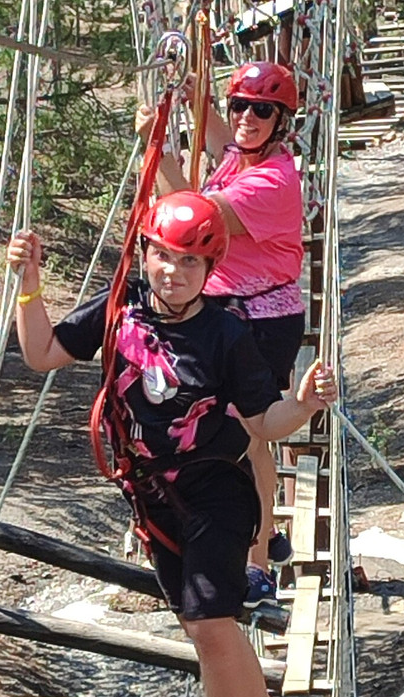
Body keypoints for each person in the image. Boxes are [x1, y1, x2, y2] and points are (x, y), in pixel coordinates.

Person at [8, 191, 334, 697]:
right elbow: (41, 353)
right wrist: (29, 286)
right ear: (146, 254)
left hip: (217, 492)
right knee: (203, 627)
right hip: (154, 500)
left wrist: (307, 404)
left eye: (191, 263)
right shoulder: (116, 314)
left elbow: (264, 422)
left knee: (212, 624)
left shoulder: (225, 334)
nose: (175, 273)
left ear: (210, 272)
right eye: (165, 257)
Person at [136, 62, 305, 607]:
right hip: (233, 311)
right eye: (240, 106)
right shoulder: (245, 154)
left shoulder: (272, 181)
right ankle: (267, 533)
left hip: (260, 318)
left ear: (282, 122)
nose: (246, 119)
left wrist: (160, 154)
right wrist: (199, 98)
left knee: (245, 438)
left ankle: (255, 560)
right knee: (240, 438)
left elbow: (190, 218)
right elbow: (220, 137)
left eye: (262, 110)